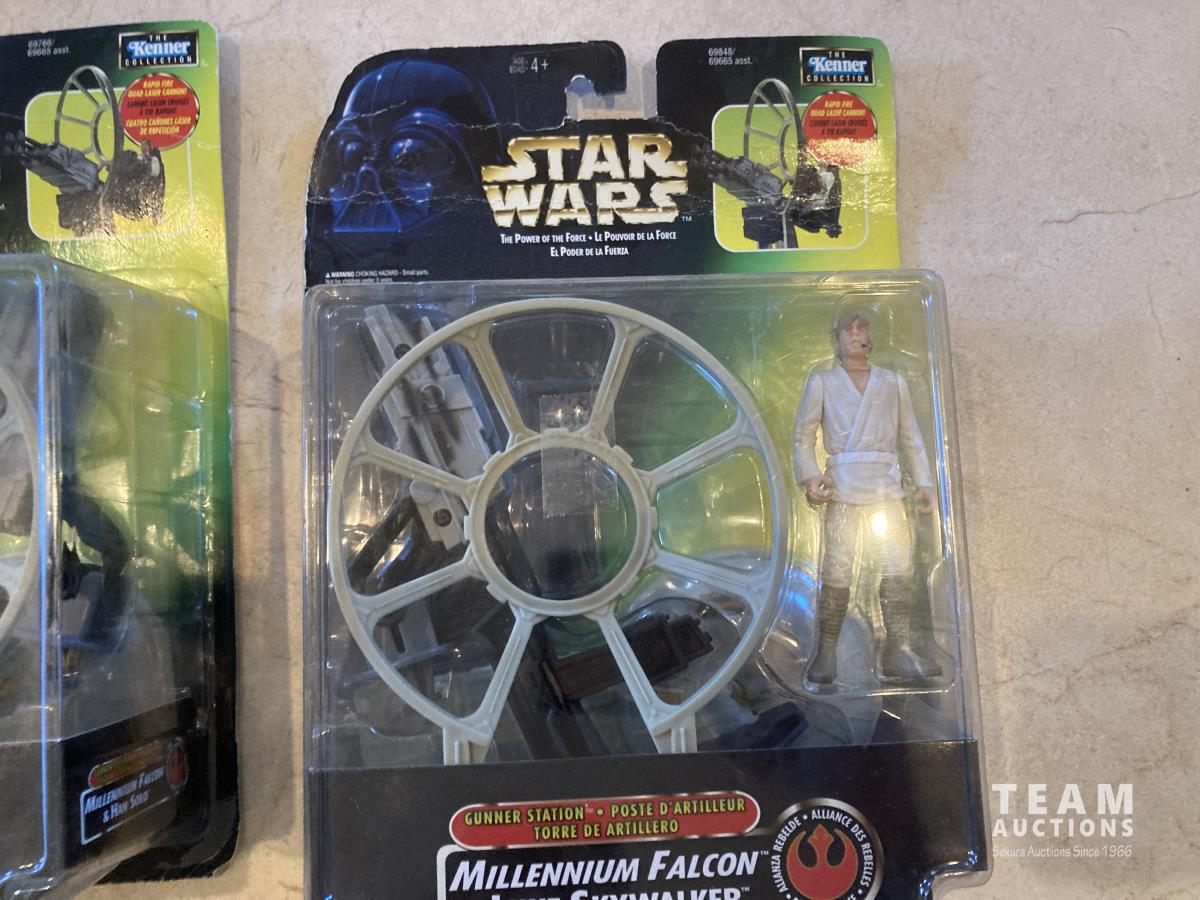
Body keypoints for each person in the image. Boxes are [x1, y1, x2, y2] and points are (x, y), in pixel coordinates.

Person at [792, 311, 942, 684]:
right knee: (836, 569)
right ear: (837, 338)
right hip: (842, 485)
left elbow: (910, 436)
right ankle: (826, 652)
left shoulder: (892, 382)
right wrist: (811, 476)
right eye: (850, 329)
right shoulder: (823, 382)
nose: (857, 334)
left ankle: (898, 650)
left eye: (863, 328)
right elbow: (803, 435)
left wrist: (925, 484)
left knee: (899, 565)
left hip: (886, 486)